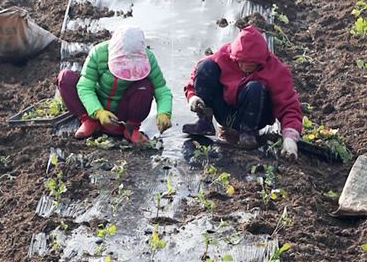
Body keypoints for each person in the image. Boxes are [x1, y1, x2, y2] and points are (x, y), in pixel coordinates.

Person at [182, 25, 302, 160]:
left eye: (251, 64)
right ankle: (204, 121)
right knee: (206, 67)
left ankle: (247, 133)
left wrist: (290, 138)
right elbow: (200, 71)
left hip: (254, 114)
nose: (244, 67)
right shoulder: (224, 55)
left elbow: (288, 105)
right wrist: (193, 96)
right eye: (241, 63)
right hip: (225, 110)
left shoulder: (275, 70)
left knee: (255, 87)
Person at [57, 26, 172, 146]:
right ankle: (89, 121)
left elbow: (161, 89)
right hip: (97, 102)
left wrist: (164, 112)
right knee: (65, 78)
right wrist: (98, 111)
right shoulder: (99, 53)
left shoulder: (149, 59)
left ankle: (130, 128)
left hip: (123, 108)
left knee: (145, 87)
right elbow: (85, 86)